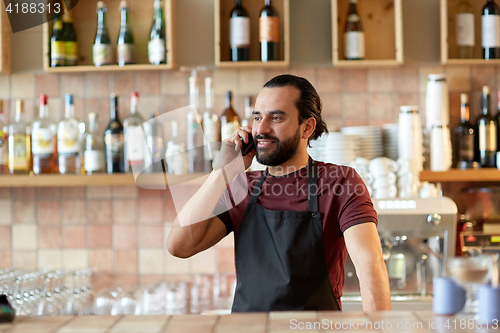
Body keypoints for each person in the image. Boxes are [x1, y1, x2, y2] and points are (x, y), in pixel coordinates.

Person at [167, 74, 391, 312]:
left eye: (275, 117)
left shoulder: (340, 182)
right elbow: (179, 246)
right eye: (257, 117)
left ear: (307, 127)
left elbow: (370, 264)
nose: (261, 129)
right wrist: (222, 172)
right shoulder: (241, 187)